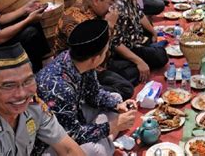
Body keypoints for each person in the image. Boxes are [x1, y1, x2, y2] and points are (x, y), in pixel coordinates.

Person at [36, 20, 138, 155]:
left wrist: (117, 106)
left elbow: (94, 94)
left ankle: (106, 138)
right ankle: (108, 140)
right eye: (106, 51)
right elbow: (71, 135)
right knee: (93, 151)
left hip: (76, 114)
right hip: (52, 143)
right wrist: (113, 125)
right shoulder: (59, 88)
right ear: (96, 59)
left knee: (116, 98)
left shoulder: (81, 61)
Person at [0, 44, 85, 155]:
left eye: (28, 81)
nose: (22, 94)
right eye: (9, 86)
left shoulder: (34, 106)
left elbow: (68, 149)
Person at [52, 0, 134, 100]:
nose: (113, 9)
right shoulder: (75, 20)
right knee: (126, 88)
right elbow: (93, 53)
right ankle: (87, 96)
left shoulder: (95, 10)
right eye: (110, 3)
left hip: (99, 62)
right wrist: (109, 26)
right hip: (81, 70)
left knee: (133, 69)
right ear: (96, 0)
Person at [109, 0, 168, 85]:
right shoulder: (116, 5)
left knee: (159, 54)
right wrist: (139, 61)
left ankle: (147, 50)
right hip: (124, 49)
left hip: (135, 39)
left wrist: (153, 32)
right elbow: (116, 43)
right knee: (158, 57)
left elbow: (140, 16)